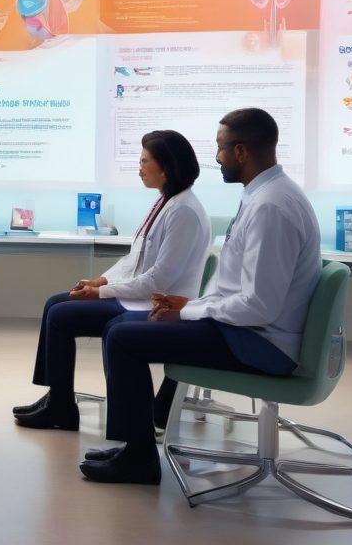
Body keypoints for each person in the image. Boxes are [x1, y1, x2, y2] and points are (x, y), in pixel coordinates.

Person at [83, 108, 320, 484]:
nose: (216, 158)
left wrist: (191, 312)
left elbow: (258, 305)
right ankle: (135, 446)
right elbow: (241, 292)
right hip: (249, 330)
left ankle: (140, 458)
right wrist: (190, 307)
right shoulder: (265, 194)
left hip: (260, 342)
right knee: (122, 326)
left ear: (241, 152)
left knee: (123, 337)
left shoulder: (271, 206)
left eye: (221, 148)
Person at [13, 130, 210, 431]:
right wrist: (99, 281)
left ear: (167, 168)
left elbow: (157, 280)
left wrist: (101, 293)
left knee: (60, 315)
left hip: (153, 305)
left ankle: (62, 408)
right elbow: (134, 260)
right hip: (139, 297)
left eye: (145, 161)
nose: (139, 167)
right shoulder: (166, 202)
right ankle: (58, 398)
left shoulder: (183, 212)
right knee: (56, 302)